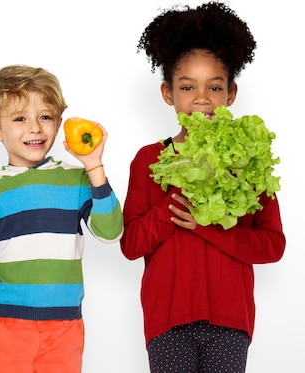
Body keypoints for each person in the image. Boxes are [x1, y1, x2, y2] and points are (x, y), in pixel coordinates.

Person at [121, 2, 286, 372]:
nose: (201, 98)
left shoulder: (248, 158)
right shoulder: (149, 159)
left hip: (231, 320)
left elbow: (273, 245)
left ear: (230, 94)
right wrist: (171, 210)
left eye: (214, 86)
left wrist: (207, 228)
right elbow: (130, 245)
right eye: (186, 86)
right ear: (168, 93)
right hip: (167, 320)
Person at [0, 64, 124, 373]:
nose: (35, 128)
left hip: (65, 328)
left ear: (59, 123)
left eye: (45, 117)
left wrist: (95, 167)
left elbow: (110, 233)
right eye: (20, 119)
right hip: (5, 327)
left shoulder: (77, 180)